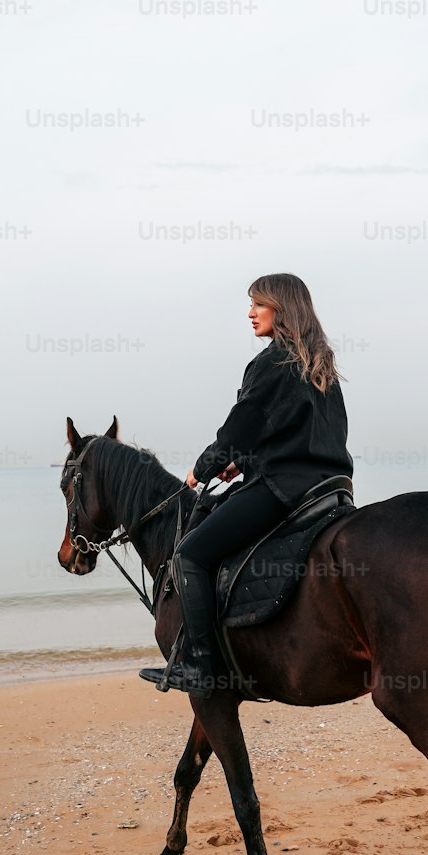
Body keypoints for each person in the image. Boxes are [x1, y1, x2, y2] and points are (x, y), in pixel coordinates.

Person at [139, 272, 353, 697]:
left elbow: (241, 425)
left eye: (259, 304)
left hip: (284, 490)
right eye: (251, 304)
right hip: (331, 488)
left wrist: (204, 467)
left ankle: (202, 666)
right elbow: (298, 434)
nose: (250, 312)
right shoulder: (320, 365)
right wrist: (244, 462)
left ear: (283, 308)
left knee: (189, 555)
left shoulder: (273, 361)